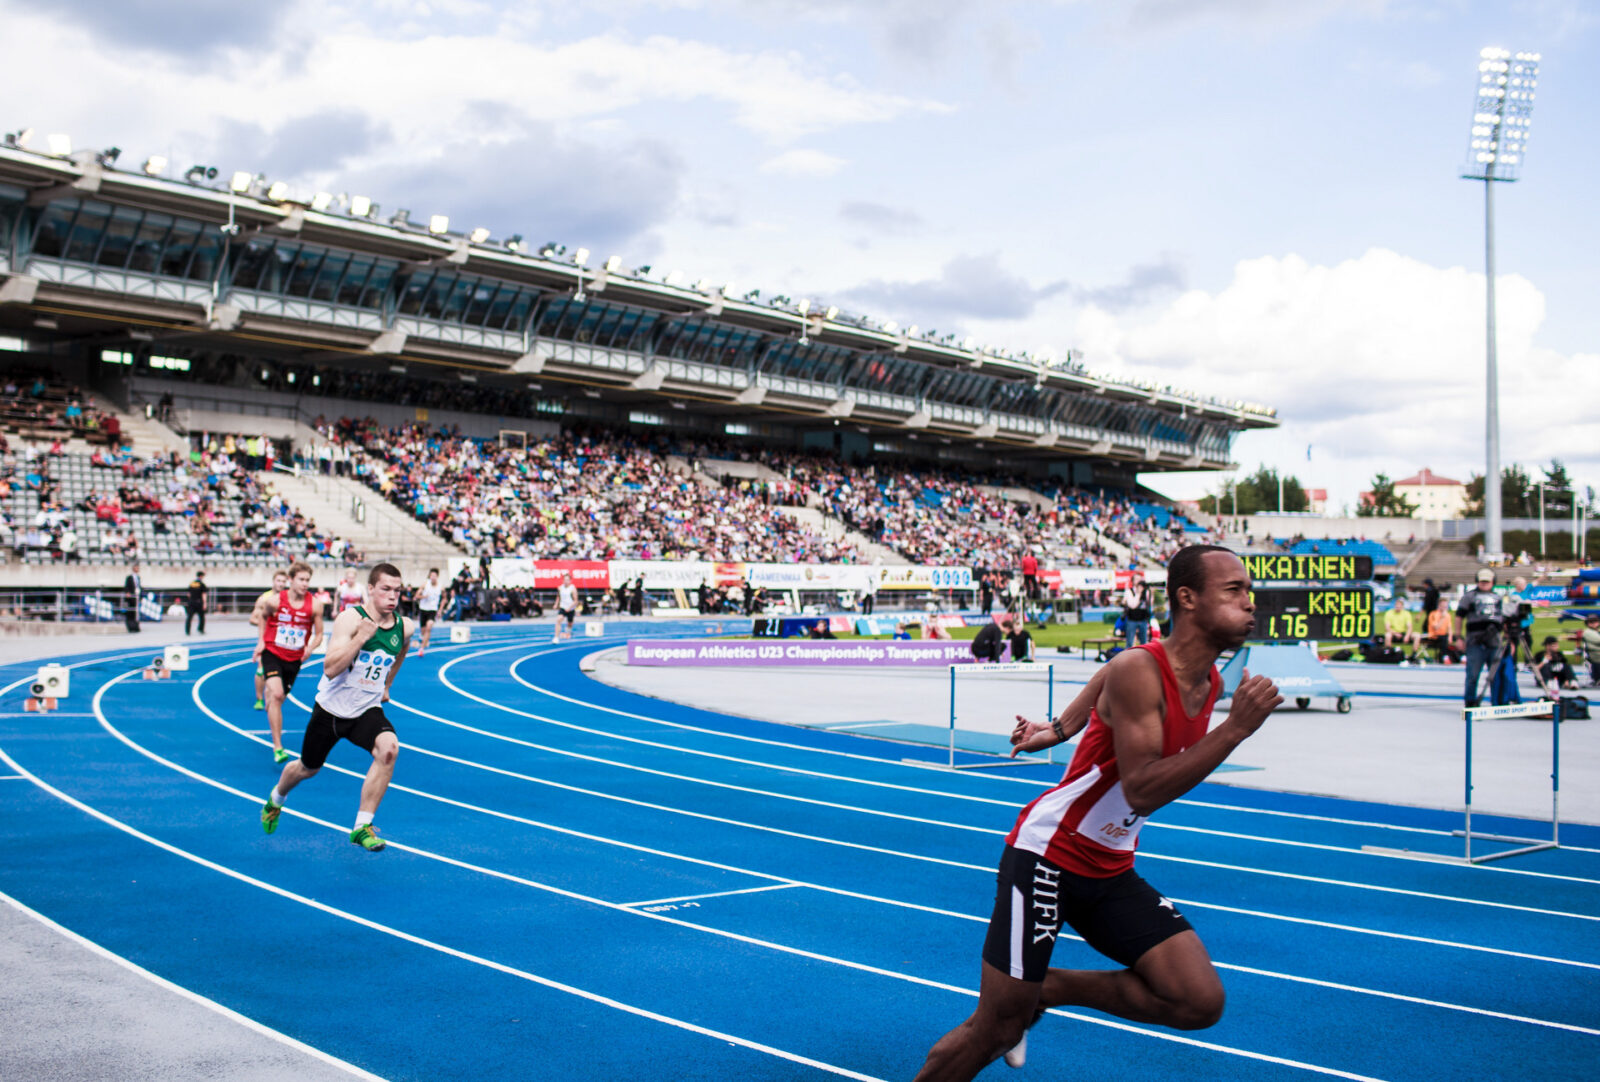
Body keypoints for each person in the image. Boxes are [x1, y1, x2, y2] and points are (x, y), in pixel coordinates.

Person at [912, 545, 1282, 1079]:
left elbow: (1104, 682)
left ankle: (1052, 988)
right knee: (996, 1027)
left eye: (1249, 592)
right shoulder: (1140, 668)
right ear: (1188, 599)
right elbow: (1142, 790)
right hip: (1048, 857)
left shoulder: (1208, 683)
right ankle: (1021, 1004)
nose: (1250, 603)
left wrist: (1057, 729)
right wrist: (1235, 730)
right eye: (1235, 591)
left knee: (1197, 1000)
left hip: (1110, 865)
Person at [260, 563, 412, 852]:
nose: (393, 597)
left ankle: (361, 827)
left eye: (397, 591)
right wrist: (361, 638)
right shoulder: (350, 619)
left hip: (365, 710)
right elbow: (330, 668)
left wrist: (388, 684)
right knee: (306, 768)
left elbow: (402, 647)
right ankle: (276, 799)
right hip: (330, 711)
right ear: (370, 589)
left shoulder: (405, 626)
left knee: (389, 749)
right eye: (385, 589)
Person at [257, 562, 326, 763]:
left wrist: (310, 648)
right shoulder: (275, 601)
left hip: (294, 659)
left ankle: (272, 705)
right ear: (292, 580)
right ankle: (278, 747)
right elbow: (262, 617)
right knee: (277, 695)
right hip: (272, 652)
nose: (305, 584)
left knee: (278, 700)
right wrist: (261, 640)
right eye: (301, 580)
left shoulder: (315, 605)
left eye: (307, 580)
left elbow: (320, 633)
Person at [1456, 568, 1511, 707]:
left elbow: (1503, 619)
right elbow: (1459, 617)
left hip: (1494, 642)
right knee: (1472, 676)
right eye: (1482, 581)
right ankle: (1470, 703)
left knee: (1496, 675)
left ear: (1493, 582)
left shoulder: (1498, 598)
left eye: (1487, 581)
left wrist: (1507, 637)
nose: (1484, 584)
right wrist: (1458, 637)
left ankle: (1496, 703)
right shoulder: (1469, 597)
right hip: (1475, 642)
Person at [249, 569, 291, 710]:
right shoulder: (264, 599)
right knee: (261, 669)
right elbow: (253, 618)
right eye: (278, 581)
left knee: (279, 670)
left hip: (283, 640)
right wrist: (268, 624)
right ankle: (259, 699)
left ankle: (271, 696)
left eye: (283, 581)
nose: (280, 584)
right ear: (273, 581)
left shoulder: (289, 598)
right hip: (266, 639)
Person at [415, 567, 443, 657]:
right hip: (423, 609)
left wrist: (440, 609)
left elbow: (445, 598)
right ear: (430, 576)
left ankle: (421, 649)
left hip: (432, 610)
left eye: (434, 576)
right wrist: (424, 596)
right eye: (431, 575)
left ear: (437, 577)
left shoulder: (440, 587)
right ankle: (424, 640)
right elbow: (416, 596)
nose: (433, 577)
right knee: (423, 631)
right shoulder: (425, 584)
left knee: (429, 627)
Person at [1121, 572, 1152, 650]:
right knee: (1130, 642)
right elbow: (1132, 605)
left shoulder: (1146, 592)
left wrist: (1149, 593)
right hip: (1132, 619)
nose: (1138, 581)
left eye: (1140, 579)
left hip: (1143, 619)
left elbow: (1149, 604)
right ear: (1133, 581)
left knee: (1144, 643)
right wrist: (1138, 594)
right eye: (1136, 579)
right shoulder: (1129, 592)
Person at [555, 572, 578, 641]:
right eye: (565, 580)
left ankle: (568, 631)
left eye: (567, 580)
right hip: (563, 607)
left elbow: (576, 601)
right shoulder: (560, 588)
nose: (566, 581)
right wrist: (556, 604)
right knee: (559, 620)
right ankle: (556, 637)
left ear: (570, 581)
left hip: (570, 608)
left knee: (570, 623)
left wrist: (570, 608)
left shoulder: (572, 589)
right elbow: (558, 596)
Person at [184, 569, 207, 636]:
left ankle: (187, 631)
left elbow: (188, 594)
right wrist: (205, 603)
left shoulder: (192, 583)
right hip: (199, 602)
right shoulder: (202, 584)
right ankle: (200, 629)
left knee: (189, 617)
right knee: (202, 617)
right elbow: (204, 594)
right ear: (201, 576)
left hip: (191, 602)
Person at [1580, 614, 1600, 687]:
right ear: (1587, 623)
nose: (1593, 623)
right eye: (1591, 622)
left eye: (1595, 621)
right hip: (1595, 657)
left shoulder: (1597, 632)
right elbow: (1598, 640)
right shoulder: (1587, 632)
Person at [123, 562, 142, 632]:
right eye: (136, 567)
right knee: (130, 612)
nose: (138, 569)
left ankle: (135, 626)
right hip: (131, 598)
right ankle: (130, 625)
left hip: (136, 597)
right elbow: (127, 587)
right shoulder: (129, 578)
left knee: (135, 613)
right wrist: (128, 593)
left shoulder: (138, 578)